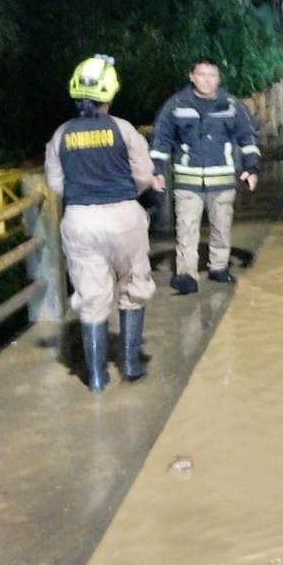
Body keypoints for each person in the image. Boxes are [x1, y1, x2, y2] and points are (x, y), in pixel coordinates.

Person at [44, 55, 156, 392]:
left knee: (92, 296)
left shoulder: (61, 134)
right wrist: (123, 195)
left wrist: (84, 196)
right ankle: (131, 364)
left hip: (80, 219)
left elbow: (55, 184)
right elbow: (144, 175)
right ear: (110, 92)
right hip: (123, 214)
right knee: (133, 287)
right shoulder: (123, 130)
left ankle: (95, 377)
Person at [149, 57, 260, 294]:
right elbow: (162, 138)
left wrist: (251, 168)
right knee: (186, 228)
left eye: (212, 76)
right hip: (187, 180)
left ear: (218, 78)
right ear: (191, 76)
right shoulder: (177, 104)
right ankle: (186, 275)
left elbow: (247, 137)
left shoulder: (231, 105)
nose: (206, 80)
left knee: (222, 225)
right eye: (201, 75)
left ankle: (219, 267)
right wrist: (156, 170)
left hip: (222, 178)